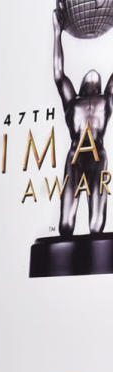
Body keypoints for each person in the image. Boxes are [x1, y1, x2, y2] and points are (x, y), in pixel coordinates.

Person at [53, 4, 113, 237]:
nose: (92, 73)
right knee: (65, 225)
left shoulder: (107, 100)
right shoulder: (72, 102)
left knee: (97, 226)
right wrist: (57, 32)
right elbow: (58, 74)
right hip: (75, 158)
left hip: (98, 158)